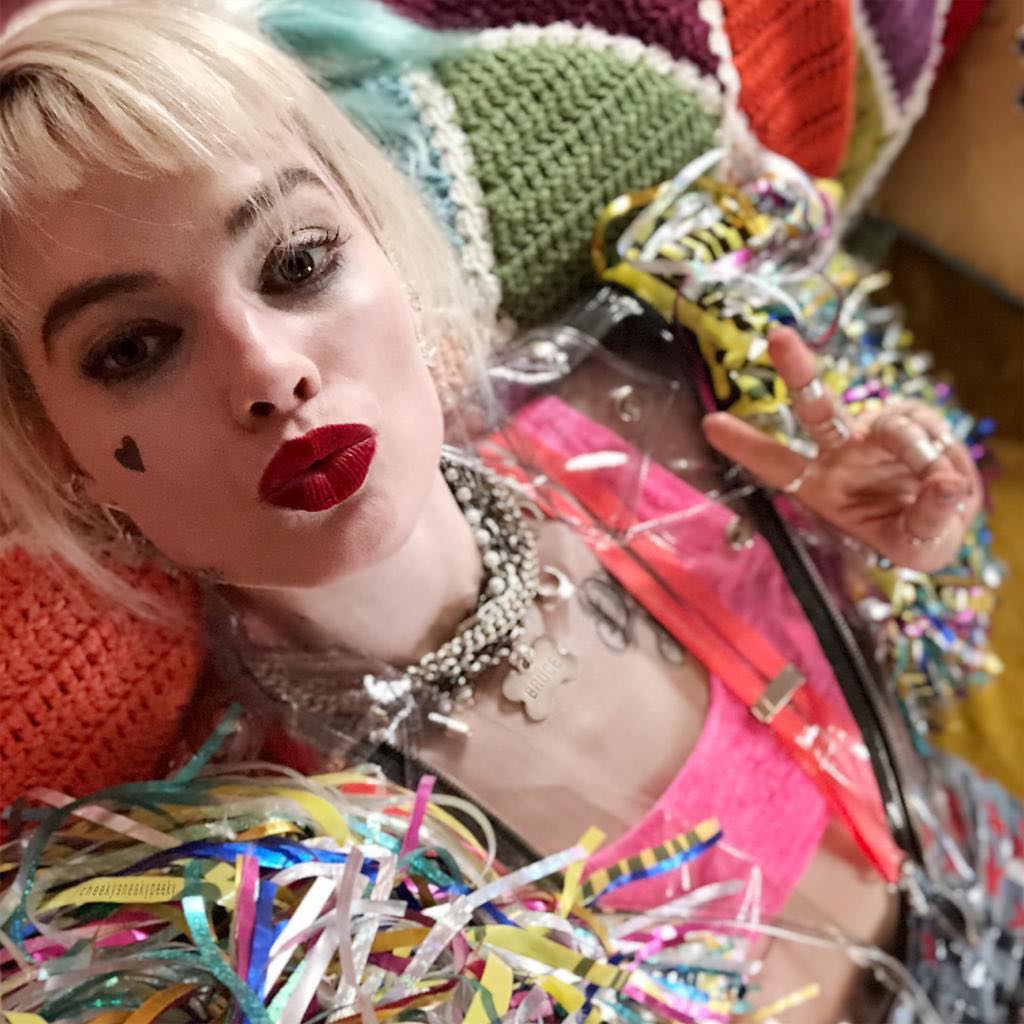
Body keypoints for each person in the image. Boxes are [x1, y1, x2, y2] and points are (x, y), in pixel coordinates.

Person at [0, 2, 1018, 1021]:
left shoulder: (659, 421)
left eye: (298, 262)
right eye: (133, 349)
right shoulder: (263, 874)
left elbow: (929, 675)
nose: (269, 371)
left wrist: (898, 542)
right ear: (65, 455)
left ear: (381, 246)